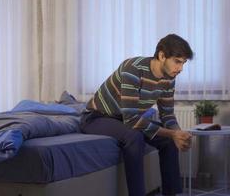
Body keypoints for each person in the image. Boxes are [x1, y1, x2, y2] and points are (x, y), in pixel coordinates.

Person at [81, 34, 193, 196]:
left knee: (169, 140)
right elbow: (132, 120)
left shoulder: (169, 78)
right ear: (162, 56)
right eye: (177, 61)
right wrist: (173, 133)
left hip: (123, 119)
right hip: (96, 118)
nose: (180, 68)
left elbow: (167, 115)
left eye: (183, 63)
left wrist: (178, 134)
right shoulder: (133, 69)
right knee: (134, 137)